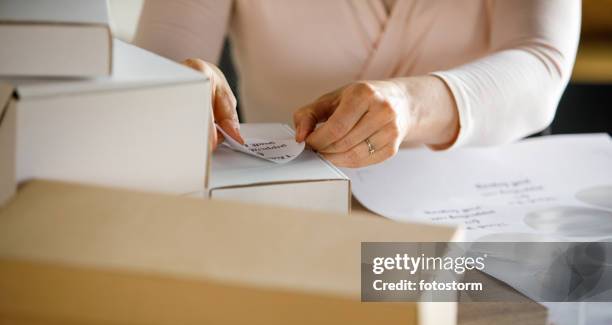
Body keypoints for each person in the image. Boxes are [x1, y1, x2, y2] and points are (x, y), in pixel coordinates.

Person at [134, 0, 580, 168]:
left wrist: (410, 105)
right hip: (291, 221)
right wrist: (178, 84)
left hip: (479, 232)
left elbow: (540, 66)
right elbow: (159, 63)